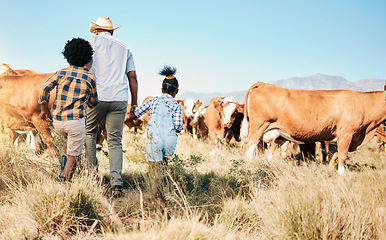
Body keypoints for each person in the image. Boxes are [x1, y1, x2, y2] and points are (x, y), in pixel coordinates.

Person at [86, 16, 138, 198]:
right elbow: (132, 77)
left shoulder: (90, 42)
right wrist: (135, 103)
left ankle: (92, 177)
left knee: (89, 134)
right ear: (112, 31)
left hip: (96, 96)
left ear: (97, 31)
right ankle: (117, 183)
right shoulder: (125, 48)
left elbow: (84, 69)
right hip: (120, 98)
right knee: (115, 141)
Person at [38, 38, 99, 181]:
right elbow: (94, 102)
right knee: (73, 154)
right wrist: (90, 103)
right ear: (89, 59)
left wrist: (44, 105)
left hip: (58, 121)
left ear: (67, 58)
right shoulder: (89, 78)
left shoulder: (61, 73)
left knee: (69, 146)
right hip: (75, 122)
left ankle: (63, 172)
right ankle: (64, 179)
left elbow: (45, 89)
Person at [134, 66, 183, 195]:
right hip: (168, 140)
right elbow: (178, 127)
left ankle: (154, 191)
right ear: (176, 91)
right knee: (164, 166)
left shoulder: (153, 101)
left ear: (162, 90)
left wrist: (133, 108)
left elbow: (138, 113)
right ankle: (164, 189)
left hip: (153, 139)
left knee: (153, 168)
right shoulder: (176, 106)